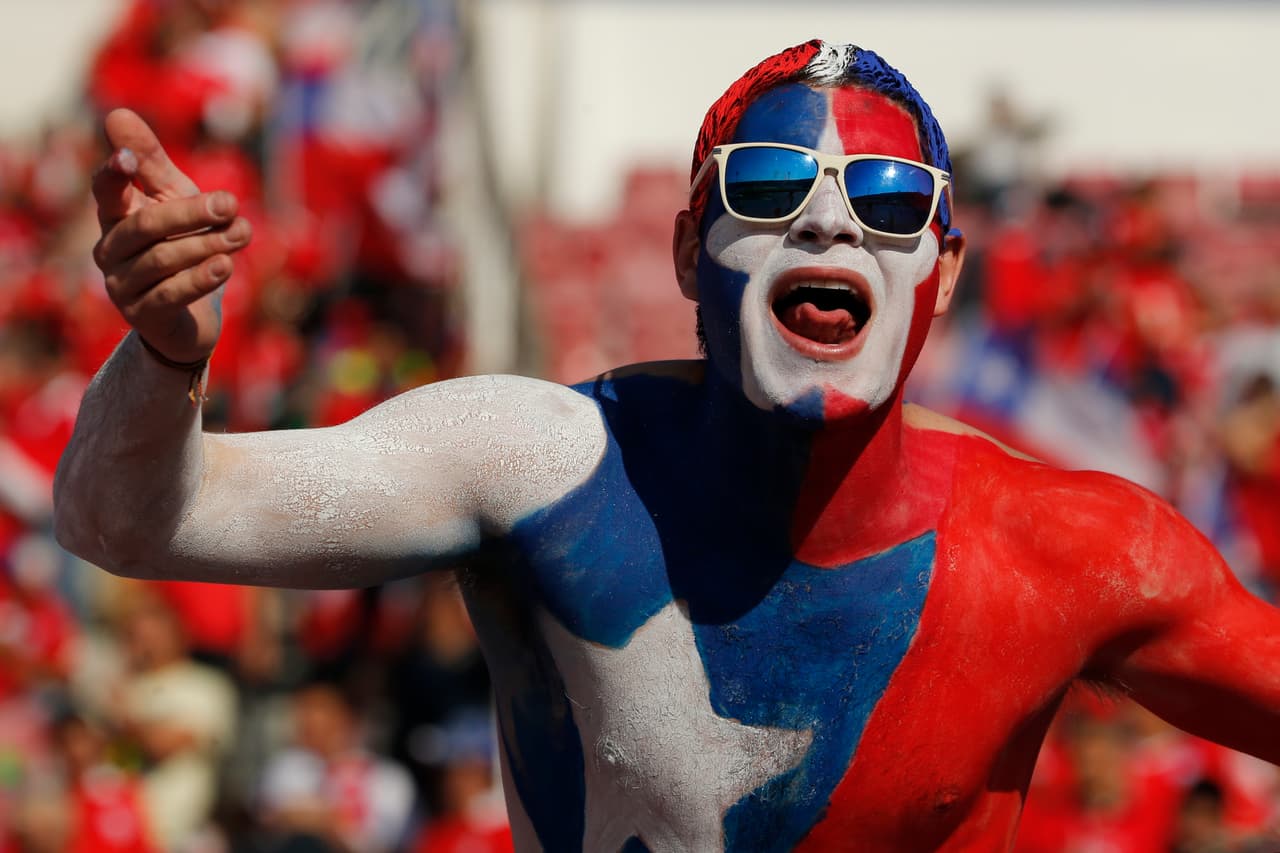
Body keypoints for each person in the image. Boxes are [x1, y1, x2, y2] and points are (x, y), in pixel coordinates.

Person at [53, 38, 1280, 852]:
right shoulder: (535, 465)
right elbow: (130, 521)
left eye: (888, 202)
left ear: (942, 273)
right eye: (767, 187)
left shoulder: (1072, 553)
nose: (826, 224)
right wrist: (163, 354)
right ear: (690, 250)